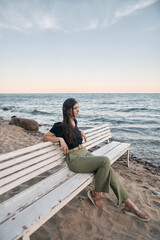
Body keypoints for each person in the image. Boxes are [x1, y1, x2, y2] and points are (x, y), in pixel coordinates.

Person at [43, 98, 150, 222]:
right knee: (105, 161)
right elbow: (45, 137)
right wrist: (60, 139)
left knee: (107, 168)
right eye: (75, 108)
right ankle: (97, 194)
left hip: (83, 152)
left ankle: (128, 202)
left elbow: (71, 132)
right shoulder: (58, 126)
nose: (78, 110)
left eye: (78, 107)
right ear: (68, 110)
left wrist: (79, 132)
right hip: (74, 159)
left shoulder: (74, 122)